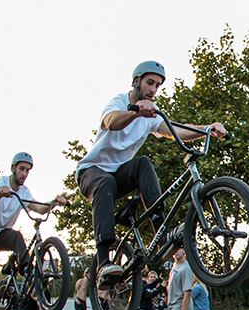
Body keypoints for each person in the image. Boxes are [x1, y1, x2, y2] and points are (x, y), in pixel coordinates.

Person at [76, 61, 228, 284]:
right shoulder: (119, 101)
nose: (153, 90)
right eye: (149, 83)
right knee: (105, 182)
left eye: (157, 86)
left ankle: (161, 233)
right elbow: (111, 122)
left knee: (143, 164)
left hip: (119, 175)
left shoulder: (153, 115)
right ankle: (103, 263)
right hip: (91, 172)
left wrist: (207, 128)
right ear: (136, 82)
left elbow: (176, 129)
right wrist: (135, 112)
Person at [0, 152, 69, 310]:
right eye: (21, 169)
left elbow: (38, 208)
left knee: (16, 236)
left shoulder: (24, 192)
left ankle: (29, 275)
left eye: (27, 171)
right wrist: (0, 193)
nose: (24, 174)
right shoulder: (1, 182)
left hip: (1, 234)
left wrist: (54, 202)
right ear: (13, 168)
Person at [166, 245, 193, 310]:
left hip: (180, 308)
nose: (176, 252)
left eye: (179, 249)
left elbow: (187, 293)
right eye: (175, 250)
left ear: (184, 251)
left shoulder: (185, 269)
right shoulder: (175, 265)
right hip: (173, 307)